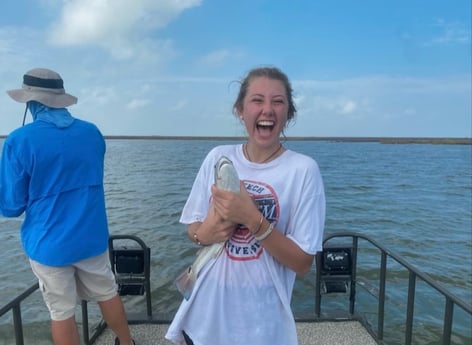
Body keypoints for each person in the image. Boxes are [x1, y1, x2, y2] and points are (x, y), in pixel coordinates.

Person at [165, 66, 326, 345]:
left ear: (289, 113)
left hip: (261, 325)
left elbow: (303, 263)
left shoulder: (303, 170)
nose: (268, 109)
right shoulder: (218, 157)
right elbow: (193, 229)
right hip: (204, 315)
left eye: (278, 102)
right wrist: (207, 232)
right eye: (257, 100)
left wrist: (253, 220)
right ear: (240, 110)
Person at [0, 68, 137, 345]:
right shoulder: (92, 133)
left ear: (30, 101)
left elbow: (11, 206)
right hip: (91, 238)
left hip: (48, 244)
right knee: (107, 293)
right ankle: (127, 342)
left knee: (61, 311)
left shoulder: (18, 140)